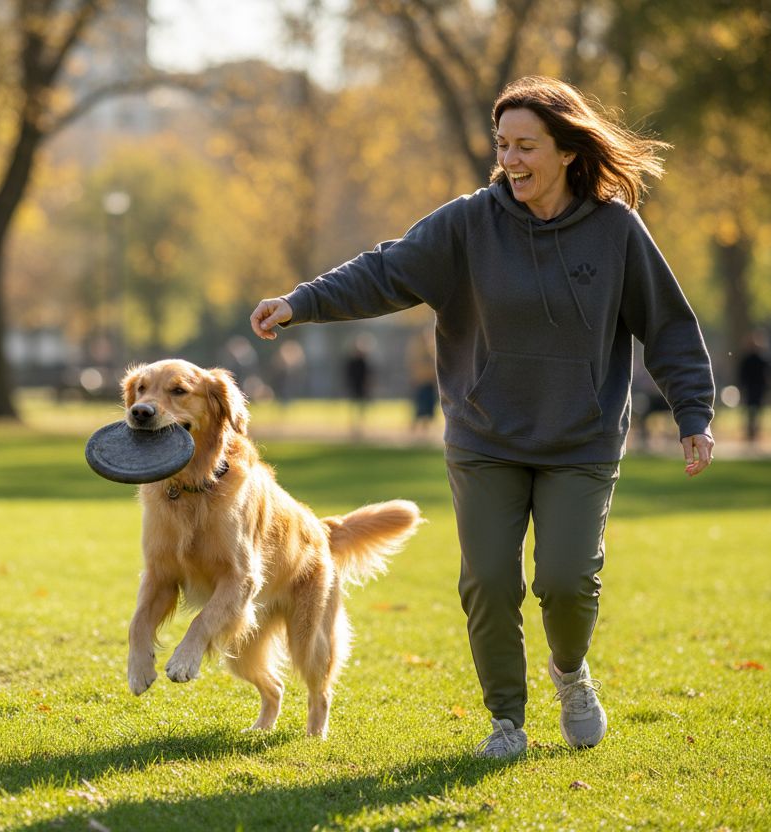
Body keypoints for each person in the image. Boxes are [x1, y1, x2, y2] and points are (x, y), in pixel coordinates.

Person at [250, 77, 714, 759]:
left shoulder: (616, 230)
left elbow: (668, 325)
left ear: (565, 151)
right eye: (504, 145)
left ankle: (570, 672)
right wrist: (302, 302)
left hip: (580, 439)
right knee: (489, 581)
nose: (513, 159)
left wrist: (693, 413)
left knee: (565, 581)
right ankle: (506, 721)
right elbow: (387, 271)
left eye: (528, 145)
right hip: (485, 435)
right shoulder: (471, 222)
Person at [736, 332, 771, 445]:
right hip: (753, 388)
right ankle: (752, 432)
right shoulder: (759, 359)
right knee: (753, 412)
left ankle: (753, 432)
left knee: (753, 412)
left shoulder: (752, 359)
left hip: (755, 389)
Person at [406, 326, 438, 434]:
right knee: (420, 406)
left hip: (429, 381)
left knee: (429, 405)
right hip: (421, 381)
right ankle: (415, 427)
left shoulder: (431, 348)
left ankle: (425, 428)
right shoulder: (418, 349)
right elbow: (414, 365)